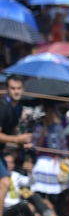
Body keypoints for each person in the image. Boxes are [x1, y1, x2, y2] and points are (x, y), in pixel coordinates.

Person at [0, 76, 31, 207]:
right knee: (5, 183)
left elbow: (13, 131)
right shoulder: (2, 107)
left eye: (19, 88)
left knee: (4, 183)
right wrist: (16, 139)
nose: (16, 91)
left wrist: (23, 142)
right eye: (13, 88)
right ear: (7, 89)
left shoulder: (18, 108)